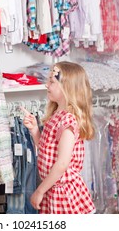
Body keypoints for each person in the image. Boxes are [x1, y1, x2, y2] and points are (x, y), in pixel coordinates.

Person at [22, 61, 96, 214]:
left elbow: (62, 164)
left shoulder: (68, 121)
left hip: (63, 193)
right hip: (53, 188)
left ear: (66, 88)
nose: (46, 85)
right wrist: (35, 130)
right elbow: (46, 150)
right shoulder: (56, 115)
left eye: (51, 81)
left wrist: (40, 191)